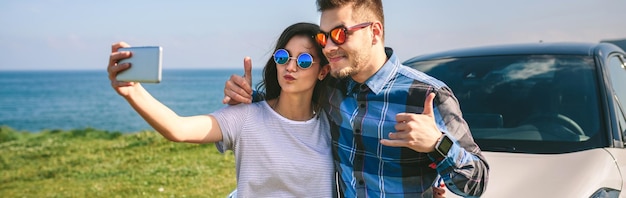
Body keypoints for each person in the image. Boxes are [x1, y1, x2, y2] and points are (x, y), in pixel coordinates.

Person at [222, 0, 489, 197]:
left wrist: (437, 144)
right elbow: (289, 110)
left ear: (374, 32)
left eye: (340, 34)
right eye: (323, 37)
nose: (328, 46)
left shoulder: (427, 96)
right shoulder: (332, 89)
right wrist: (247, 98)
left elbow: (477, 183)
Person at [107, 22, 335, 197]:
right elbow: (178, 128)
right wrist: (132, 91)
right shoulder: (246, 117)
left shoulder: (331, 121)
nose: (290, 66)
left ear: (323, 71)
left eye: (304, 60)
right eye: (283, 56)